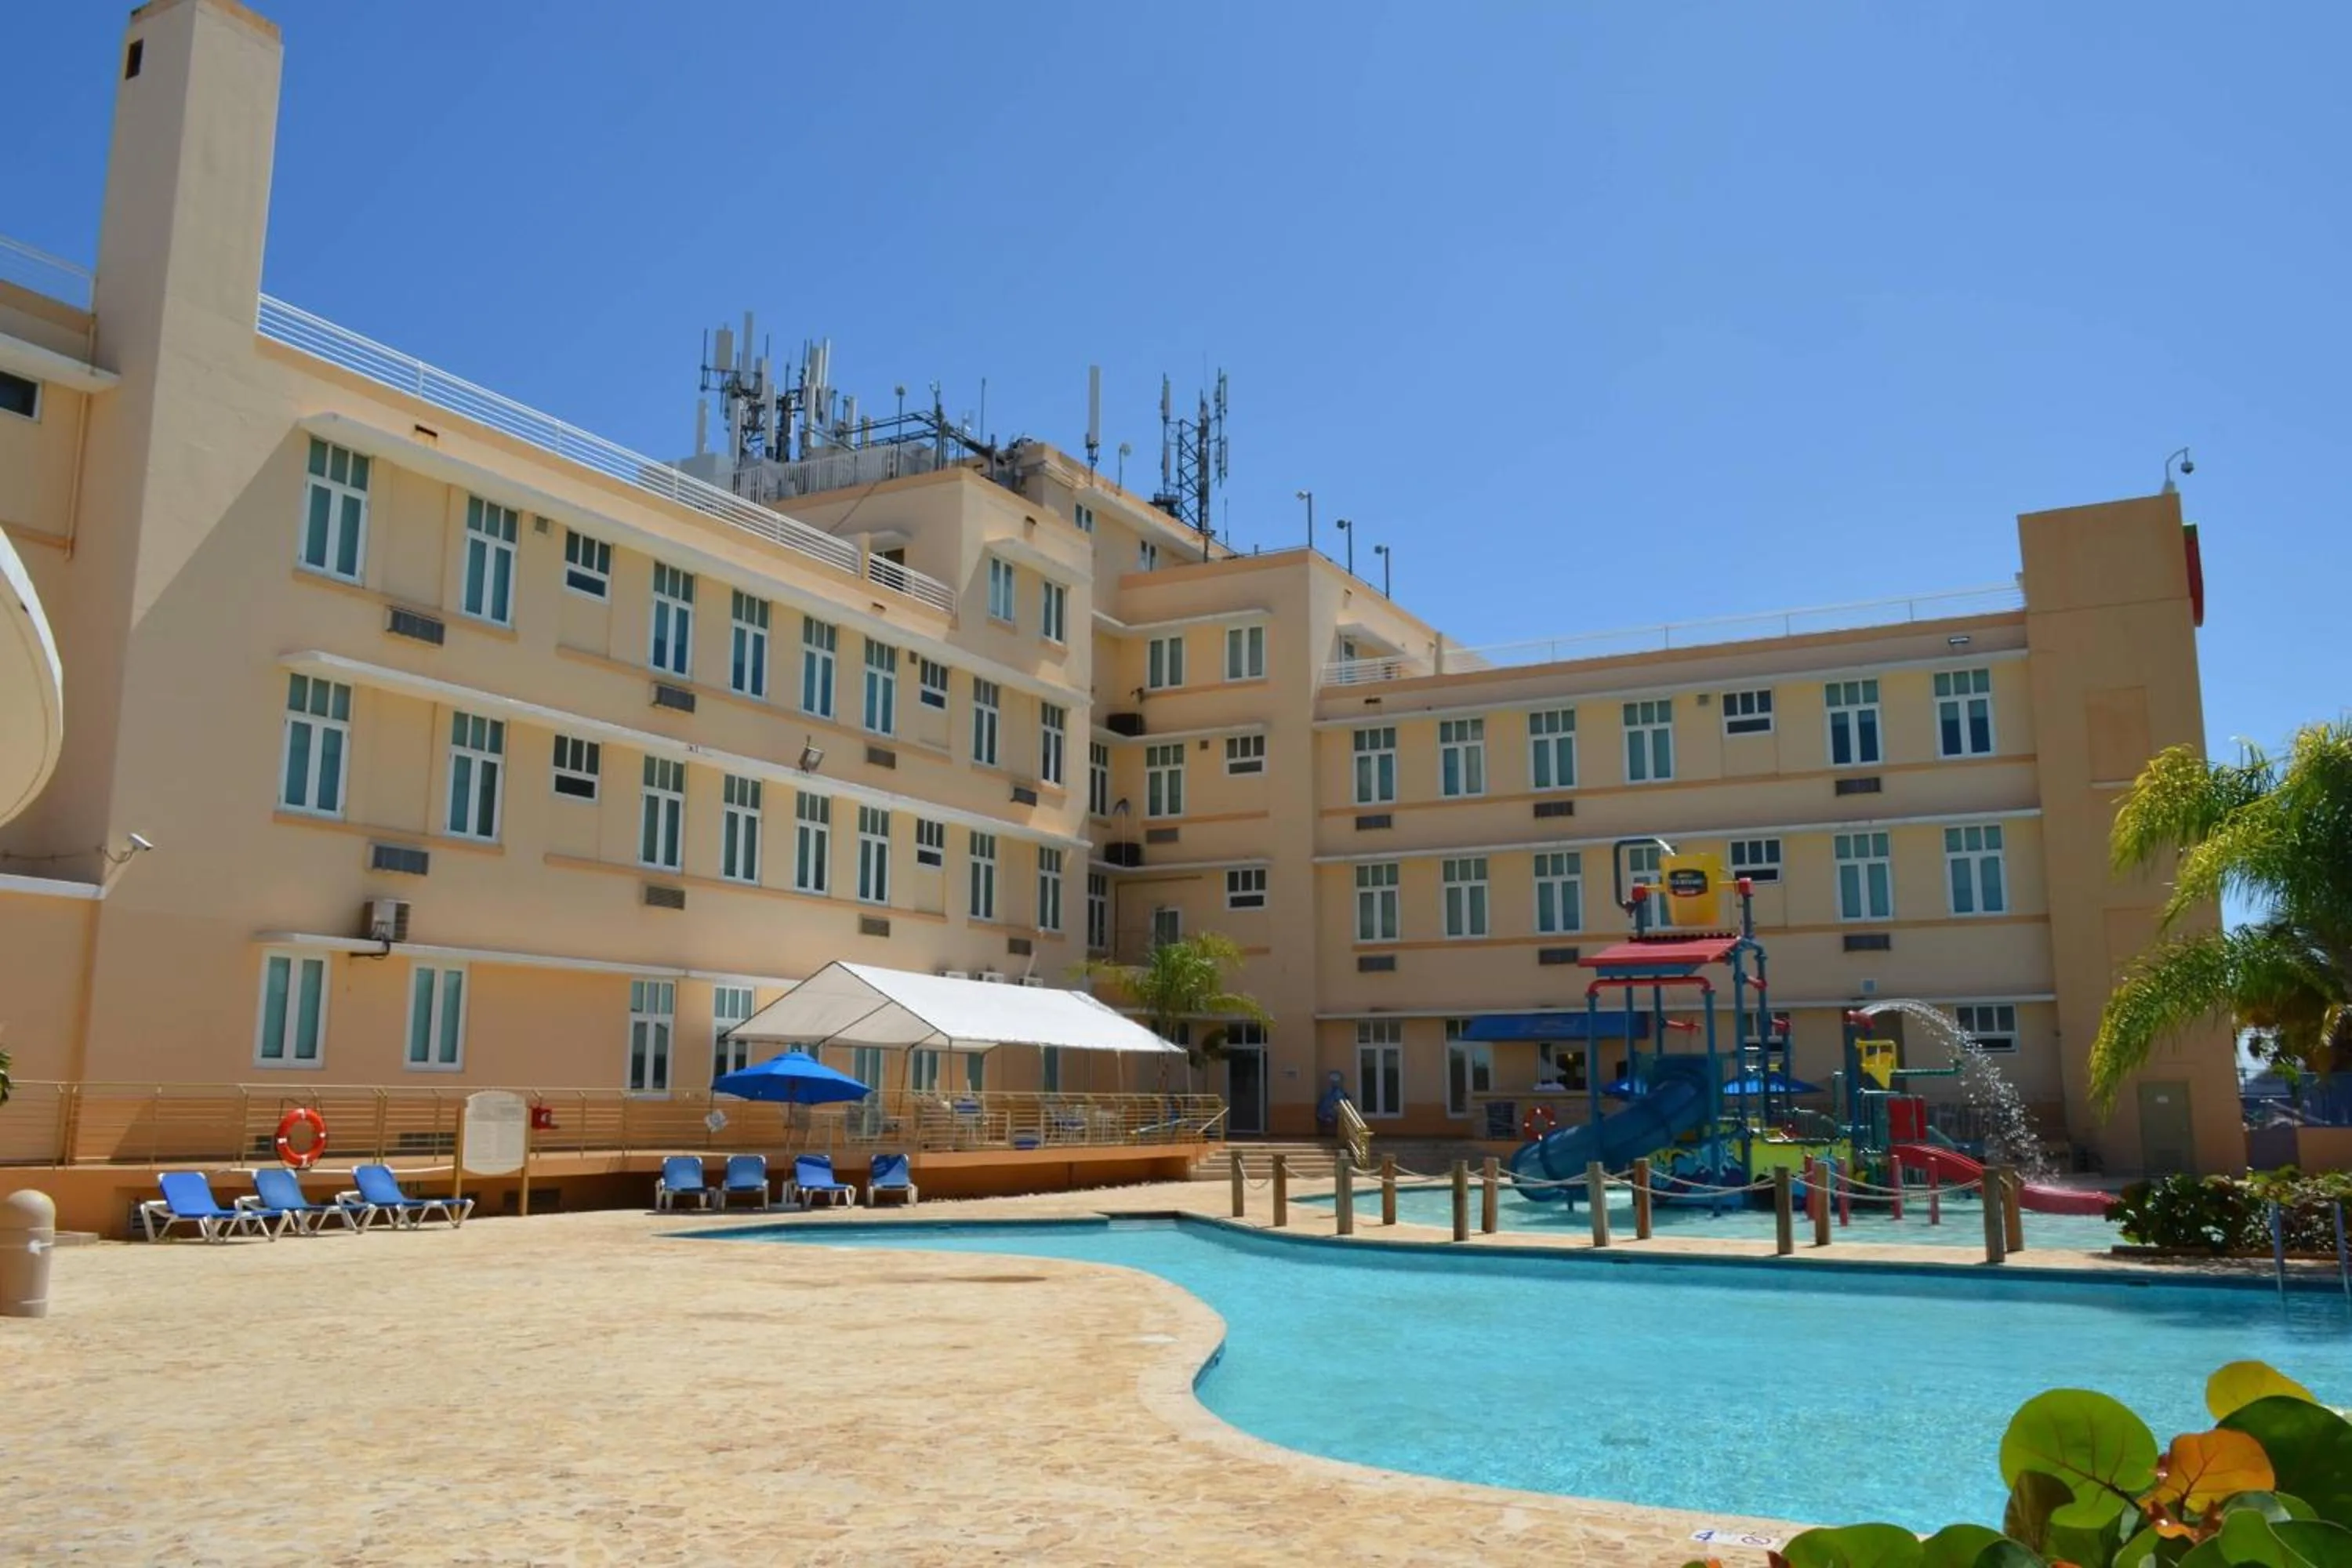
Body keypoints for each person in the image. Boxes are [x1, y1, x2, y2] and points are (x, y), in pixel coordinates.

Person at [1314, 1071, 1349, 1139]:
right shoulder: (1328, 1093)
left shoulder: (1338, 1093)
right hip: (1329, 1111)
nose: (1334, 1083)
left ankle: (1336, 1134)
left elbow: (1340, 1100)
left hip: (1335, 1111)